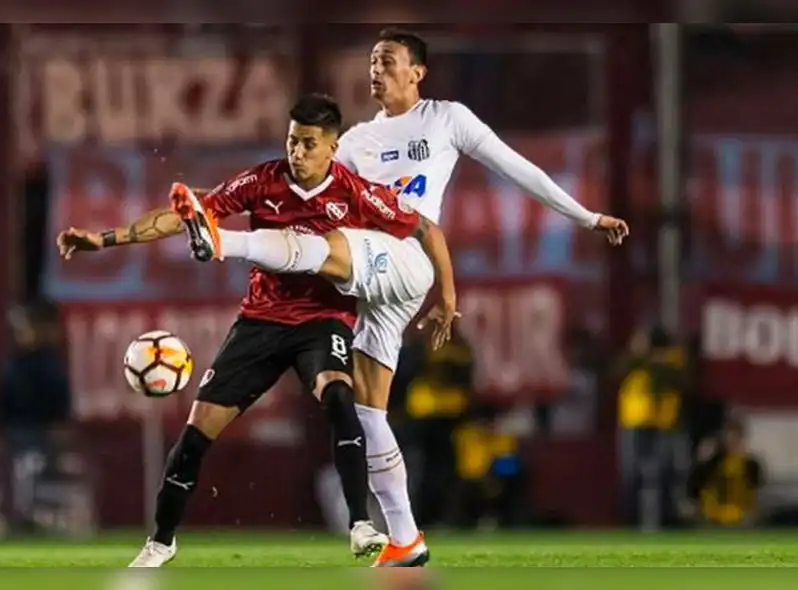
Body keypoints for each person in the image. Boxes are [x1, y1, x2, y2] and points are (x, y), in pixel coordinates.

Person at [180, 28, 631, 566]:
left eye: (388, 60)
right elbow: (292, 193)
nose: (376, 69)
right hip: (375, 293)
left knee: (332, 244)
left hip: (406, 258)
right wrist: (208, 203)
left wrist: (585, 216)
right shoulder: (351, 144)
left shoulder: (446, 119)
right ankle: (406, 538)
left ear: (417, 71)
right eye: (371, 60)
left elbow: (519, 168)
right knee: (367, 413)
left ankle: (223, 245)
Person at [56, 94, 440, 567]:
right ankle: (161, 541)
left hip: (323, 321)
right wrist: (105, 238)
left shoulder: (354, 192)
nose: (297, 153)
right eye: (292, 141)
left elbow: (423, 227)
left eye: (308, 144)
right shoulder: (262, 180)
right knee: (196, 434)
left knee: (340, 397)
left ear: (332, 147)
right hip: (260, 321)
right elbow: (186, 214)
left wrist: (446, 294)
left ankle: (360, 522)